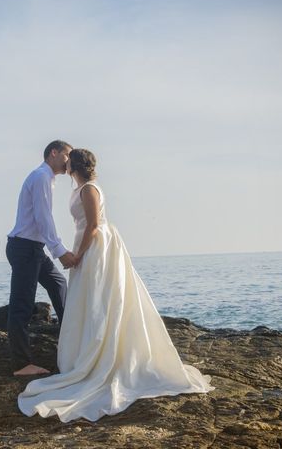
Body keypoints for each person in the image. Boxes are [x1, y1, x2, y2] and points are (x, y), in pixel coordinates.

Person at [18, 148, 214, 421]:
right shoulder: (77, 188)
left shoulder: (89, 190)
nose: (64, 164)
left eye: (67, 161)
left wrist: (77, 255)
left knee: (100, 299)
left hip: (96, 248)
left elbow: (94, 226)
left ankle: (101, 353)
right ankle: (86, 349)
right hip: (84, 245)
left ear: (73, 167)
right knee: (88, 299)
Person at [6, 140, 77, 377]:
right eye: (68, 155)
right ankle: (21, 364)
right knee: (21, 306)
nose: (70, 160)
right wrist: (60, 251)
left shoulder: (47, 179)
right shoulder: (41, 177)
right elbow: (42, 217)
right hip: (25, 248)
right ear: (53, 153)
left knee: (59, 284)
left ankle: (70, 341)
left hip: (33, 248)